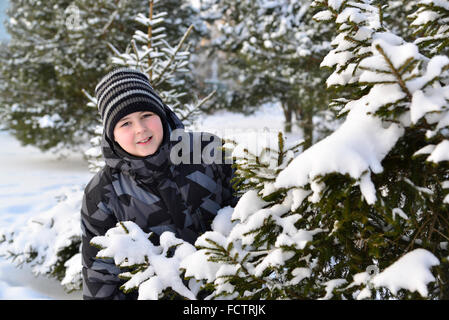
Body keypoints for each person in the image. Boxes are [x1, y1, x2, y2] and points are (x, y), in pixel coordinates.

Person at [81, 68, 238, 300]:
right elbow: (100, 275)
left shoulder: (207, 152)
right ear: (111, 134)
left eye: (146, 115)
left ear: (162, 114)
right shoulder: (102, 193)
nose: (140, 128)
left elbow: (249, 213)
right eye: (125, 123)